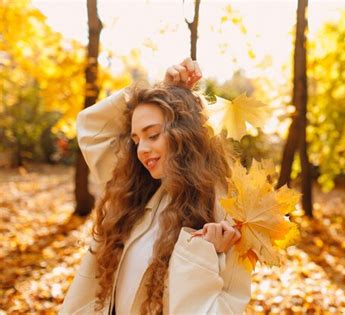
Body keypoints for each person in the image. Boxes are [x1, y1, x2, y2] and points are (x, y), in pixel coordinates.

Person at [60, 58, 252, 315]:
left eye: (153, 135)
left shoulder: (227, 212)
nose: (142, 149)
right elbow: (90, 127)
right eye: (136, 140)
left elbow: (225, 307)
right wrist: (161, 88)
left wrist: (206, 255)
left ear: (185, 135)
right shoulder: (137, 189)